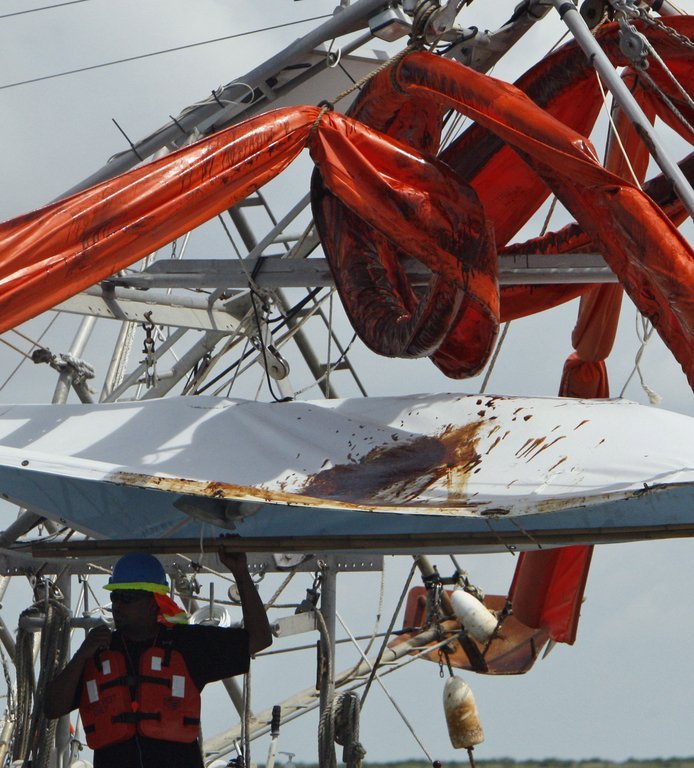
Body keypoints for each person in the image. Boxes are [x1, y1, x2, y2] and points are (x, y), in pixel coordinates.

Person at [44, 549, 272, 768]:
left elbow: (259, 639)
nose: (117, 606)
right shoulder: (97, 652)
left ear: (154, 601)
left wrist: (240, 573)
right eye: (115, 597)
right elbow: (52, 707)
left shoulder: (188, 645)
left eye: (127, 598)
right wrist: (81, 655)